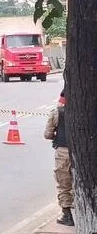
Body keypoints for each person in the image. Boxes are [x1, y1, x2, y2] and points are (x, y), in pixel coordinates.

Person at [44, 89, 73, 226]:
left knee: (64, 184)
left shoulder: (57, 113)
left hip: (63, 152)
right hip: (83, 154)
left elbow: (48, 134)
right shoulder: (86, 110)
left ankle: (67, 215)